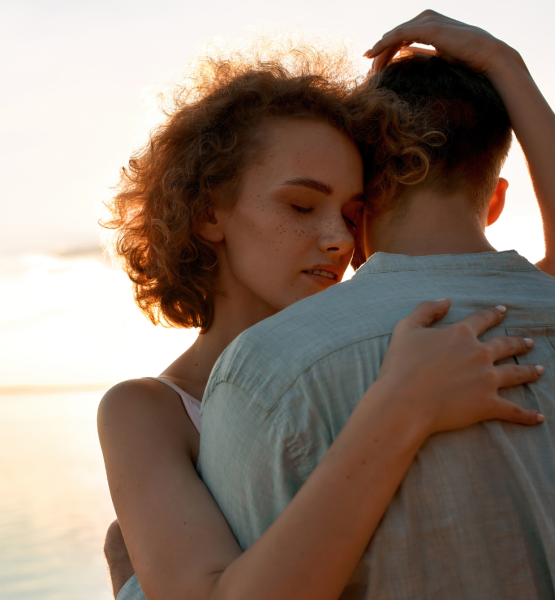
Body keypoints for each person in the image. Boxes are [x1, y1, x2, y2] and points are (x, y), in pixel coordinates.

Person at [98, 17, 551, 600]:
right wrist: (401, 407)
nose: (341, 239)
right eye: (302, 205)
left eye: (352, 209)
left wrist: (502, 65)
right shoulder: (144, 409)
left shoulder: (408, 333)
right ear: (209, 212)